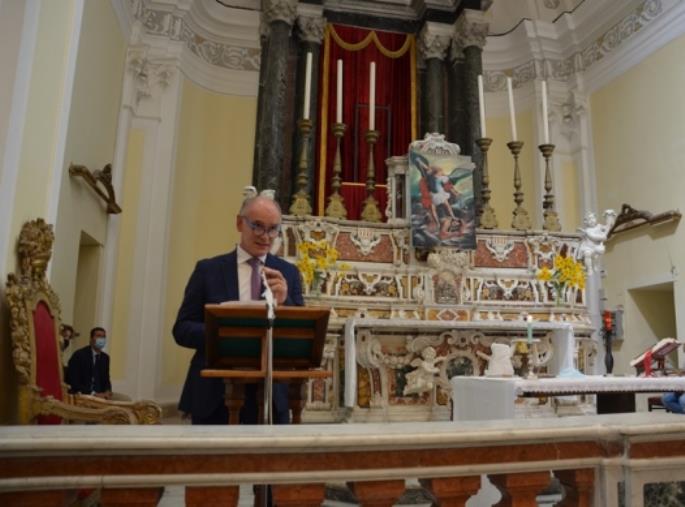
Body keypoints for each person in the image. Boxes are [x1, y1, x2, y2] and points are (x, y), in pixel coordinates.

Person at [173, 192, 304, 425]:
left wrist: (285, 303)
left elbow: (301, 337)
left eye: (273, 229)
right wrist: (225, 336)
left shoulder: (289, 274)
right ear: (239, 223)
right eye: (258, 226)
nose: (266, 236)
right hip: (214, 392)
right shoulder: (208, 270)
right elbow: (182, 329)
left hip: (269, 395)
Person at [66, 327, 112, 399]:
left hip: (101, 396)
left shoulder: (105, 358)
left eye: (103, 337)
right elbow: (73, 382)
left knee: (125, 400)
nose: (101, 339)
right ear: (91, 339)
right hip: (83, 394)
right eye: (98, 336)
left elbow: (106, 379)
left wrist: (107, 391)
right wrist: (93, 394)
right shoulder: (79, 355)